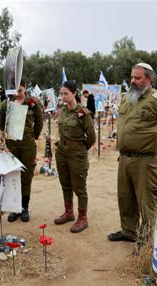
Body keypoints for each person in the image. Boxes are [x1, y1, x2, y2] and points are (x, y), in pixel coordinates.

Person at [108, 63, 157, 246]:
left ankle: (145, 241)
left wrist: (154, 148)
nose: (133, 81)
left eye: (138, 78)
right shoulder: (127, 98)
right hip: (125, 158)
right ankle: (128, 231)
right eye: (132, 77)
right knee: (125, 198)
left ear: (149, 79)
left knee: (146, 202)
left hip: (146, 161)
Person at [0, 80, 43, 222]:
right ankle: (14, 208)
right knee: (13, 175)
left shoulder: (33, 103)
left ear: (25, 89)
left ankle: (24, 207)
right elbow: (1, 122)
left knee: (26, 174)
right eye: (15, 90)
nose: (18, 93)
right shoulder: (6, 104)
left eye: (20, 90)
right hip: (12, 144)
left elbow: (39, 122)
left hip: (27, 144)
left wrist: (33, 136)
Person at [54, 81, 95, 233]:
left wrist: (80, 149)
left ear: (74, 94)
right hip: (62, 151)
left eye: (66, 93)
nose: (63, 96)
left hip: (76, 153)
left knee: (79, 186)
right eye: (62, 93)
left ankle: (83, 217)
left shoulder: (83, 113)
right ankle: (69, 212)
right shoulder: (63, 110)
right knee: (65, 183)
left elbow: (91, 137)